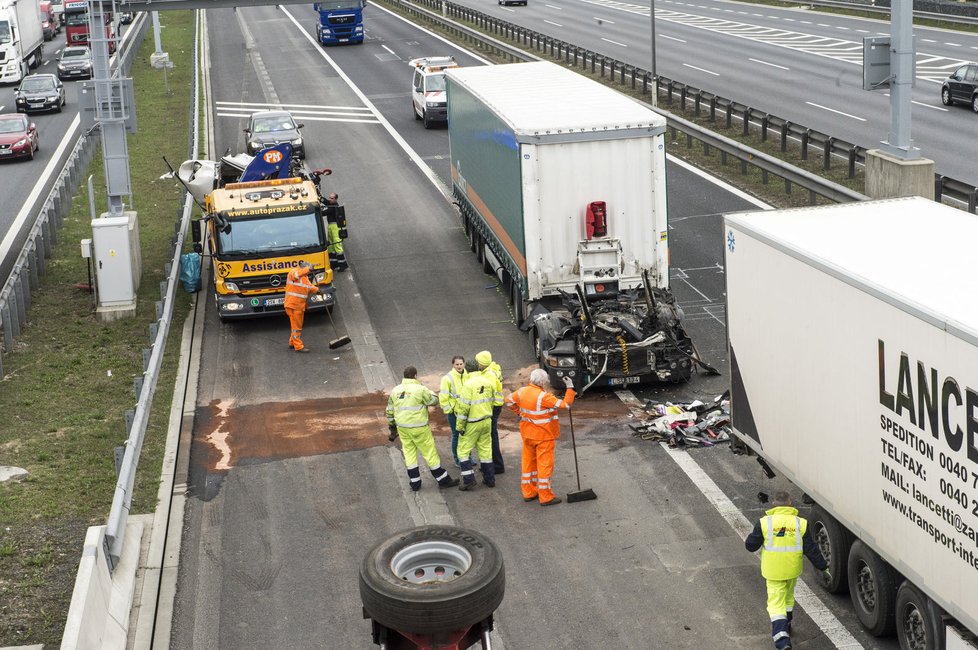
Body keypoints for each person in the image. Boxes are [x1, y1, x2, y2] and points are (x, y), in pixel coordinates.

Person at [744, 491, 830, 650]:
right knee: (788, 598)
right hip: (792, 570)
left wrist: (754, 536)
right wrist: (824, 567)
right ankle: (787, 623)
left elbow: (750, 546)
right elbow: (811, 550)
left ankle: (782, 640)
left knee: (776, 605)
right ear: (790, 503)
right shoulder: (800, 523)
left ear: (773, 504)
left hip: (773, 571)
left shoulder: (764, 523)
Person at [505, 369, 575, 506]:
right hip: (544, 436)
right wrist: (570, 388)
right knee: (544, 466)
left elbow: (508, 401)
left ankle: (529, 493)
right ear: (542, 382)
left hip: (527, 435)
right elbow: (565, 404)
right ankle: (546, 497)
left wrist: (519, 412)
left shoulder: (522, 392)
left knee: (528, 464)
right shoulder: (544, 397)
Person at [385, 367, 460, 491]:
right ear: (415, 376)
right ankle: (443, 480)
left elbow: (389, 411)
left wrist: (392, 426)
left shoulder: (395, 390)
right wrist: (427, 390)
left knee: (409, 454)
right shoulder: (420, 389)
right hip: (419, 427)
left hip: (403, 428)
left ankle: (415, 483)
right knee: (429, 453)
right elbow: (434, 400)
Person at [455, 360, 498, 491]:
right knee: (485, 450)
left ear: (467, 370)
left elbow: (463, 409)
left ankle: (469, 480)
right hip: (486, 421)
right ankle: (489, 479)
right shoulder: (488, 382)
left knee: (462, 451)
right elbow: (492, 401)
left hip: (472, 423)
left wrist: (460, 427)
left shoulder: (467, 385)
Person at [475, 350, 505, 474]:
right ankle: (491, 464)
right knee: (490, 436)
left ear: (483, 363)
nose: (477, 364)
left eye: (478, 362)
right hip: (495, 406)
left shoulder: (489, 374)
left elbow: (487, 391)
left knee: (491, 436)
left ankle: (496, 466)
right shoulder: (492, 369)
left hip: (492, 407)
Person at [284, 260, 319, 353]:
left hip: (298, 305)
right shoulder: (294, 272)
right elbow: (296, 275)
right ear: (304, 268)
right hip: (293, 305)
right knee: (297, 327)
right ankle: (298, 346)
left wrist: (318, 291)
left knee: (295, 325)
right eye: (307, 270)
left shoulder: (304, 277)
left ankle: (292, 342)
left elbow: (309, 287)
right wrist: (309, 269)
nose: (308, 272)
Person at [439, 355, 467, 467]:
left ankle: (467, 457)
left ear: (464, 364)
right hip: (454, 413)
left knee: (466, 436)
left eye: (461, 364)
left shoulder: (467, 375)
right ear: (453, 365)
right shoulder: (447, 378)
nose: (459, 366)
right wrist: (449, 410)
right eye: (457, 364)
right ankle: (457, 459)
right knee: (456, 435)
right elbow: (443, 397)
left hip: (465, 411)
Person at [324, 192, 348, 272]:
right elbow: (326, 202)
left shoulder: (334, 206)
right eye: (329, 197)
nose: (330, 199)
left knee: (337, 245)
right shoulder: (331, 203)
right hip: (330, 226)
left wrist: (316, 210)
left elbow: (324, 212)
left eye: (332, 198)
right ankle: (334, 264)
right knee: (331, 246)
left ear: (336, 199)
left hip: (335, 227)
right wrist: (321, 198)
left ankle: (343, 265)